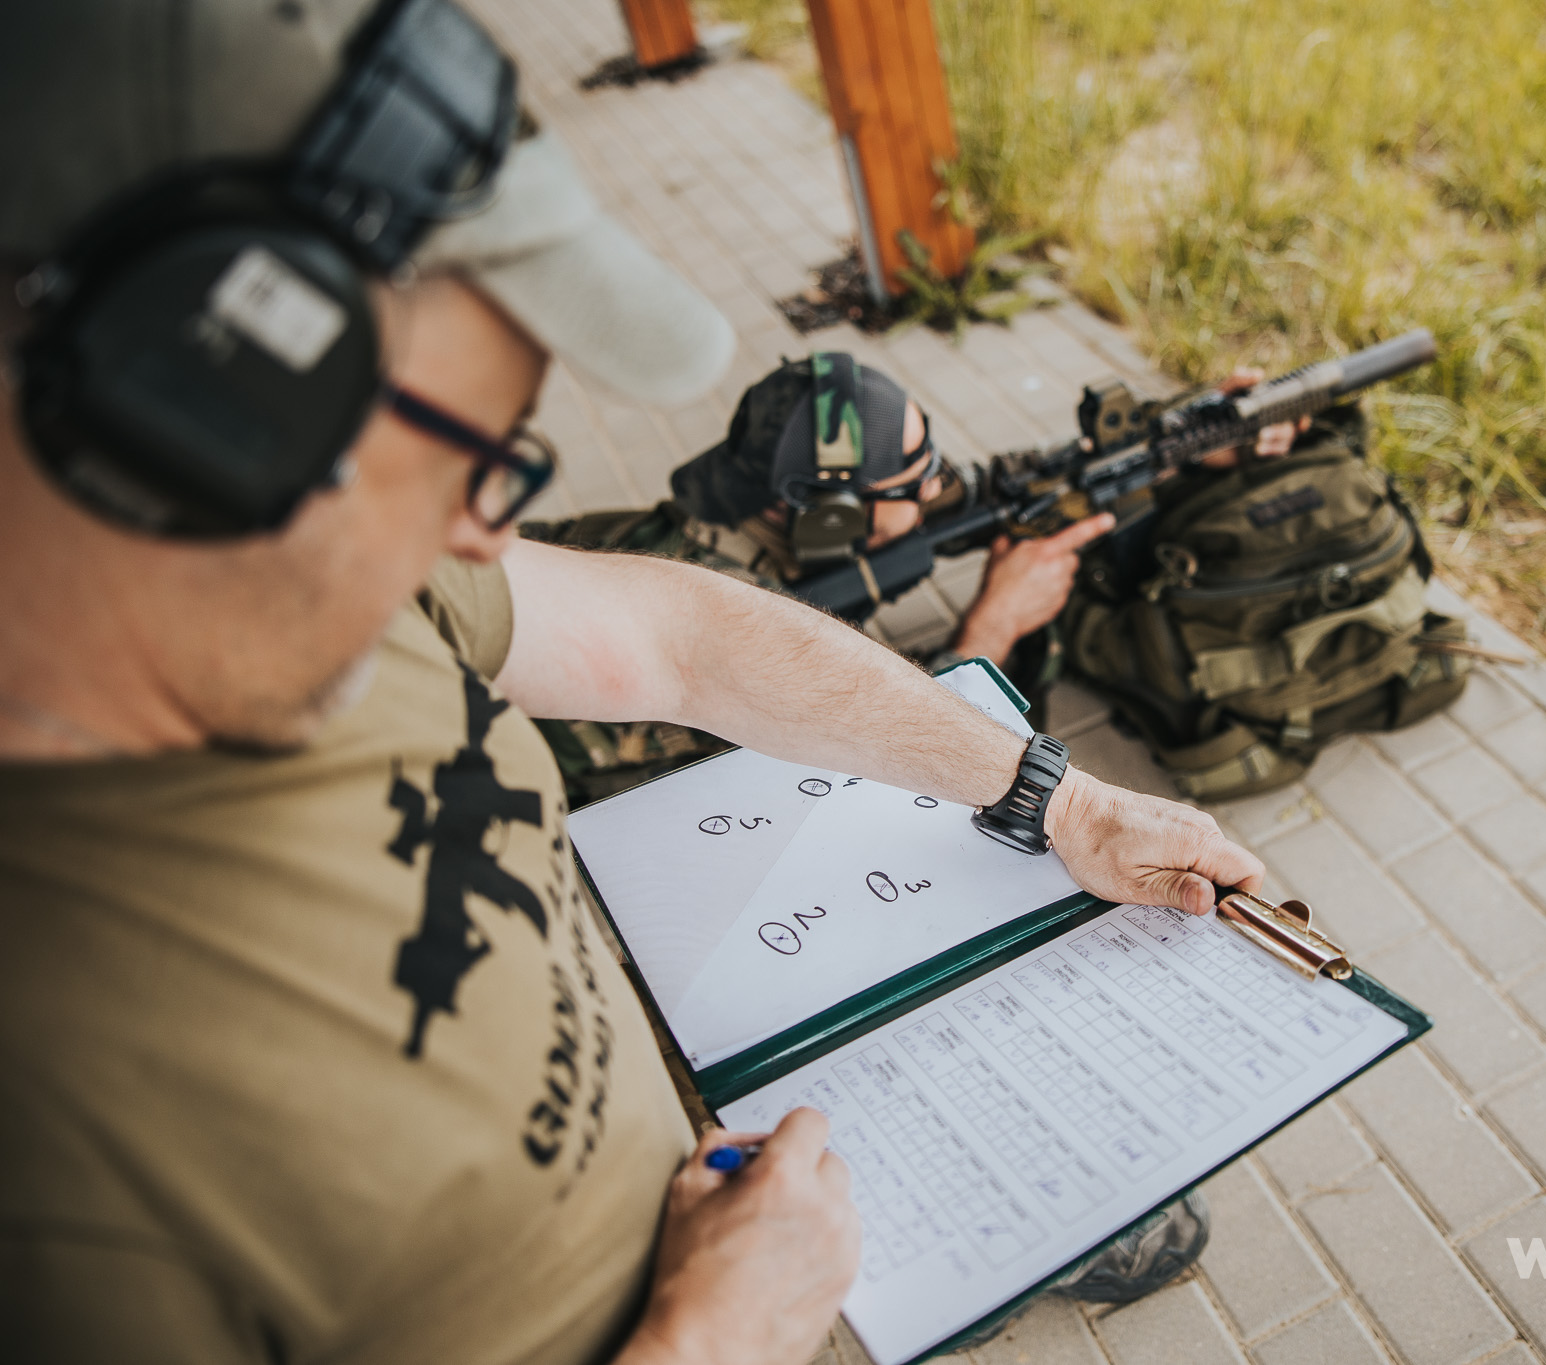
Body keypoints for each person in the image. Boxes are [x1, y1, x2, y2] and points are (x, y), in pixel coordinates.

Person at [0, 4, 1265, 1365]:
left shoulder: (353, 578)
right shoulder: (54, 1171)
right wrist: (714, 1332)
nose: (486, 534)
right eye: (470, 458)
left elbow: (686, 637)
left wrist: (1061, 802)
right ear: (179, 407)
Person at [524, 354, 1308, 805]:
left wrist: (1193, 429)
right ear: (832, 515)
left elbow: (987, 490)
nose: (938, 484)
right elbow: (861, 780)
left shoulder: (732, 509)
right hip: (571, 781)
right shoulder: (725, 631)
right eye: (914, 480)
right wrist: (990, 630)